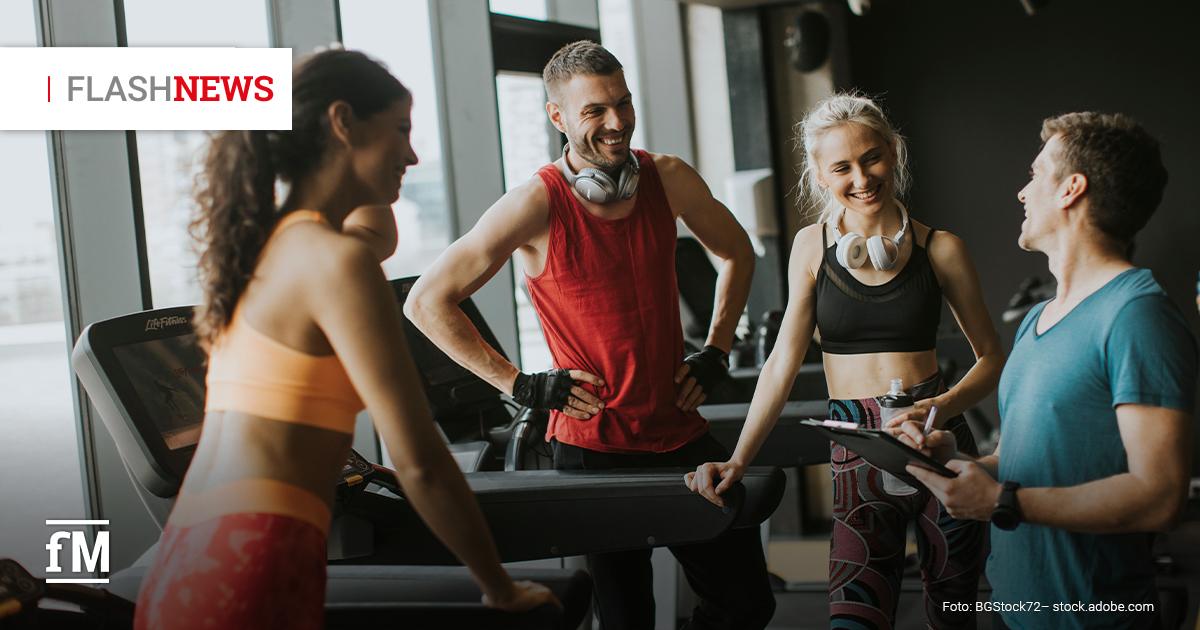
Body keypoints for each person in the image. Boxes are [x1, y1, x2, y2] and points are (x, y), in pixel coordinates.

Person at [133, 49, 557, 630]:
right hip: (254, 563)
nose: (412, 153)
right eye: (401, 130)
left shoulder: (276, 244)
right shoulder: (336, 263)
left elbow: (376, 232)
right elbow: (421, 463)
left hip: (190, 559)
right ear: (341, 123)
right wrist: (500, 588)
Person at [405, 41, 775, 630]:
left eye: (622, 104)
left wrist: (717, 348)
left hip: (679, 434)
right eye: (595, 110)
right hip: (593, 450)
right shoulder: (534, 204)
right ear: (558, 118)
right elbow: (425, 302)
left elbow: (735, 253)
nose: (617, 121)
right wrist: (520, 384)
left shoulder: (668, 178)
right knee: (627, 619)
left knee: (747, 602)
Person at [686, 93, 1005, 629]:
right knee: (853, 621)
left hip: (935, 442)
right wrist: (739, 459)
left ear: (894, 152)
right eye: (842, 167)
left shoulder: (941, 248)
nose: (861, 177)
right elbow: (782, 361)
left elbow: (993, 357)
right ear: (819, 174)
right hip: (855, 452)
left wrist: (943, 405)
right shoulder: (812, 247)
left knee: (954, 616)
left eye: (872, 157)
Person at [904, 112, 1196, 630]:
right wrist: (964, 463)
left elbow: (1160, 496)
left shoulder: (1137, 317)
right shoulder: (1038, 318)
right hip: (1014, 607)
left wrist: (1001, 501)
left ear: (1071, 190)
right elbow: (1028, 462)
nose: (1022, 192)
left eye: (1037, 174)